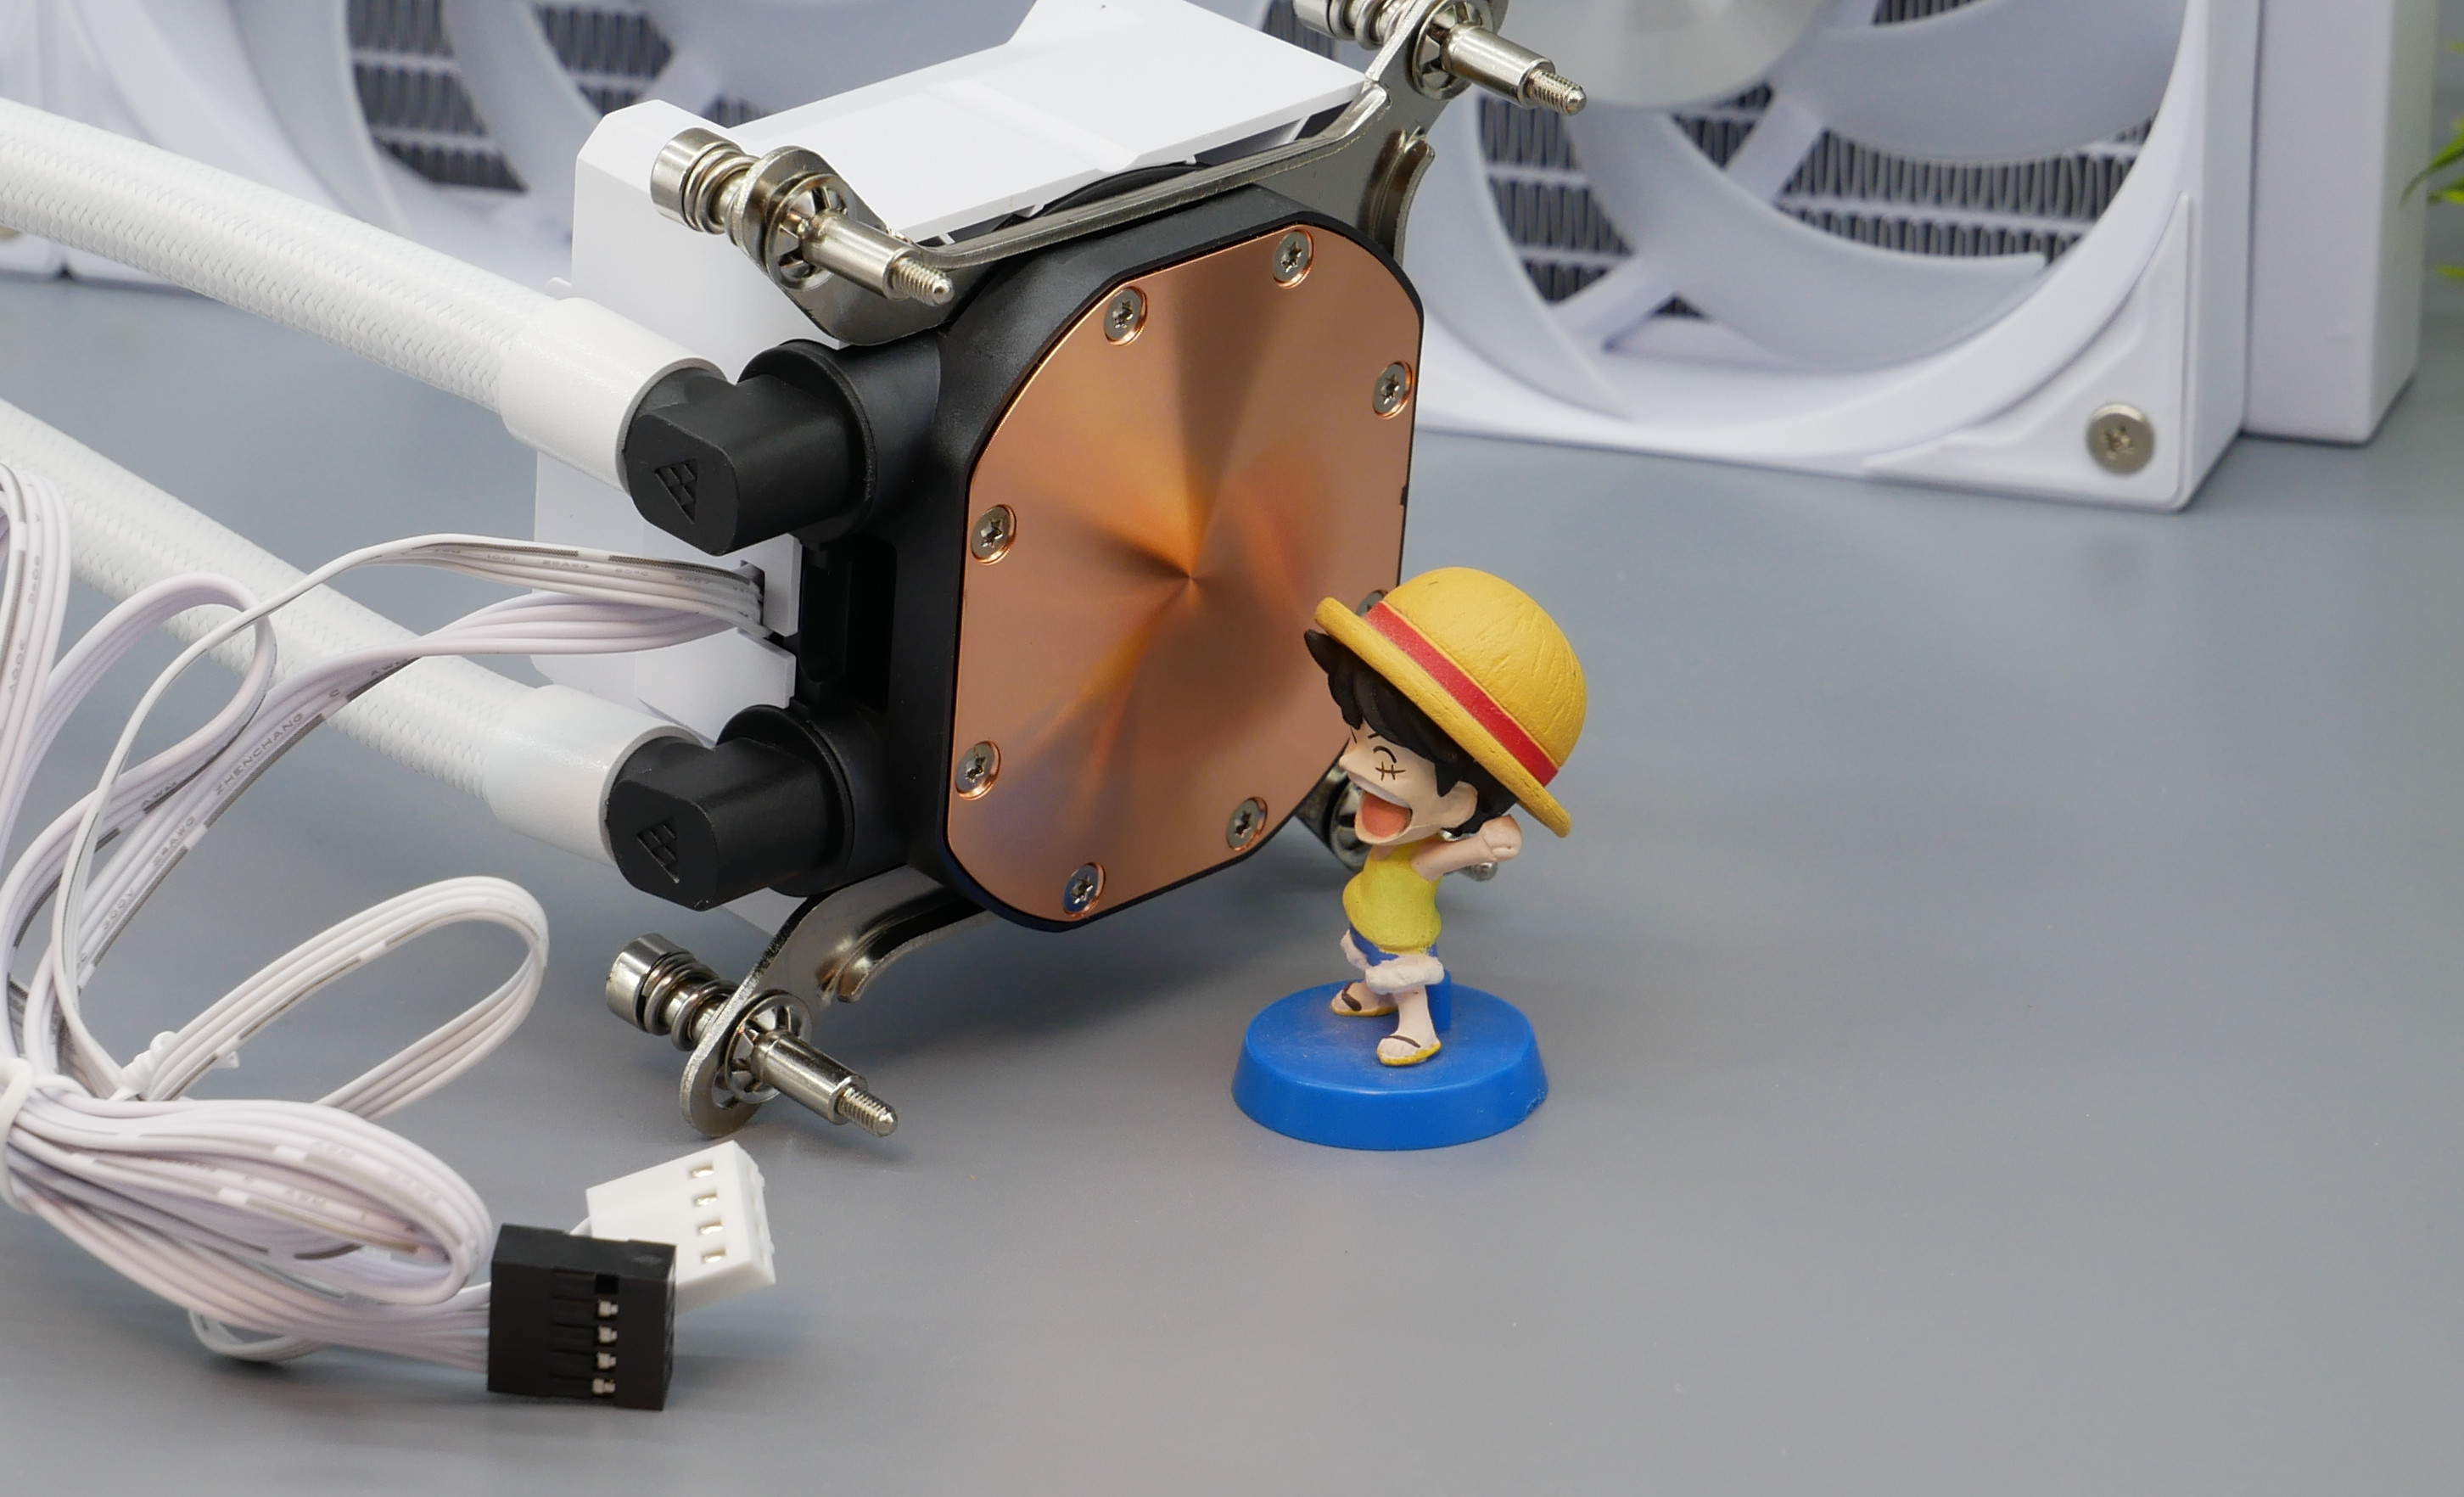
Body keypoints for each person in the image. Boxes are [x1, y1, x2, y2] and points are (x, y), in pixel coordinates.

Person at [1302, 567, 1587, 1065]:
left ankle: (1417, 1028)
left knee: (1404, 977)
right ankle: (1374, 993)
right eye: (1355, 738)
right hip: (1371, 919)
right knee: (1372, 957)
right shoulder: (1394, 836)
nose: (1350, 763)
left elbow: (1440, 860)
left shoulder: (1418, 858)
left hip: (1401, 934)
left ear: (1462, 801)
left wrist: (1481, 846)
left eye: (1386, 761)